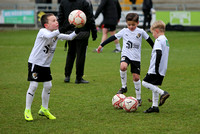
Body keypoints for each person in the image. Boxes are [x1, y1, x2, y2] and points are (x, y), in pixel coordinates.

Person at [24, 13, 80, 121]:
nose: (56, 22)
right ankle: (27, 110)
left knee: (48, 86)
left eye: (56, 20)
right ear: (46, 25)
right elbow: (50, 36)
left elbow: (70, 37)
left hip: (45, 65)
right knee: (34, 86)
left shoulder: (56, 34)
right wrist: (64, 28)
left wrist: (78, 29)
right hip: (35, 63)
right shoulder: (42, 32)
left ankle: (44, 109)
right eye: (53, 21)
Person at [97, 13, 154, 106]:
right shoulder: (124, 31)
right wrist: (102, 45)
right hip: (126, 55)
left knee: (136, 78)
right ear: (126, 24)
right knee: (123, 66)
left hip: (136, 58)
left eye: (133, 25)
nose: (131, 27)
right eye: (129, 25)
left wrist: (155, 50)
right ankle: (124, 87)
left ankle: (138, 98)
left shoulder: (141, 32)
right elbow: (113, 37)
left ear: (137, 23)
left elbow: (150, 41)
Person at [58, 0, 97, 84]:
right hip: (82, 32)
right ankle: (78, 78)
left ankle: (67, 76)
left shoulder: (63, 2)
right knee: (81, 55)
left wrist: (61, 30)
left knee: (70, 53)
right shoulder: (85, 2)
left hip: (69, 31)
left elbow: (60, 17)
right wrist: (94, 32)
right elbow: (90, 18)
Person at [142, 20, 170, 113]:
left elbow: (158, 53)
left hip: (155, 68)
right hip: (163, 68)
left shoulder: (158, 40)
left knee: (145, 83)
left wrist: (156, 68)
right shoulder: (166, 40)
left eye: (153, 32)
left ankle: (163, 93)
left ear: (157, 31)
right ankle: (155, 106)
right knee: (154, 86)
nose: (153, 35)